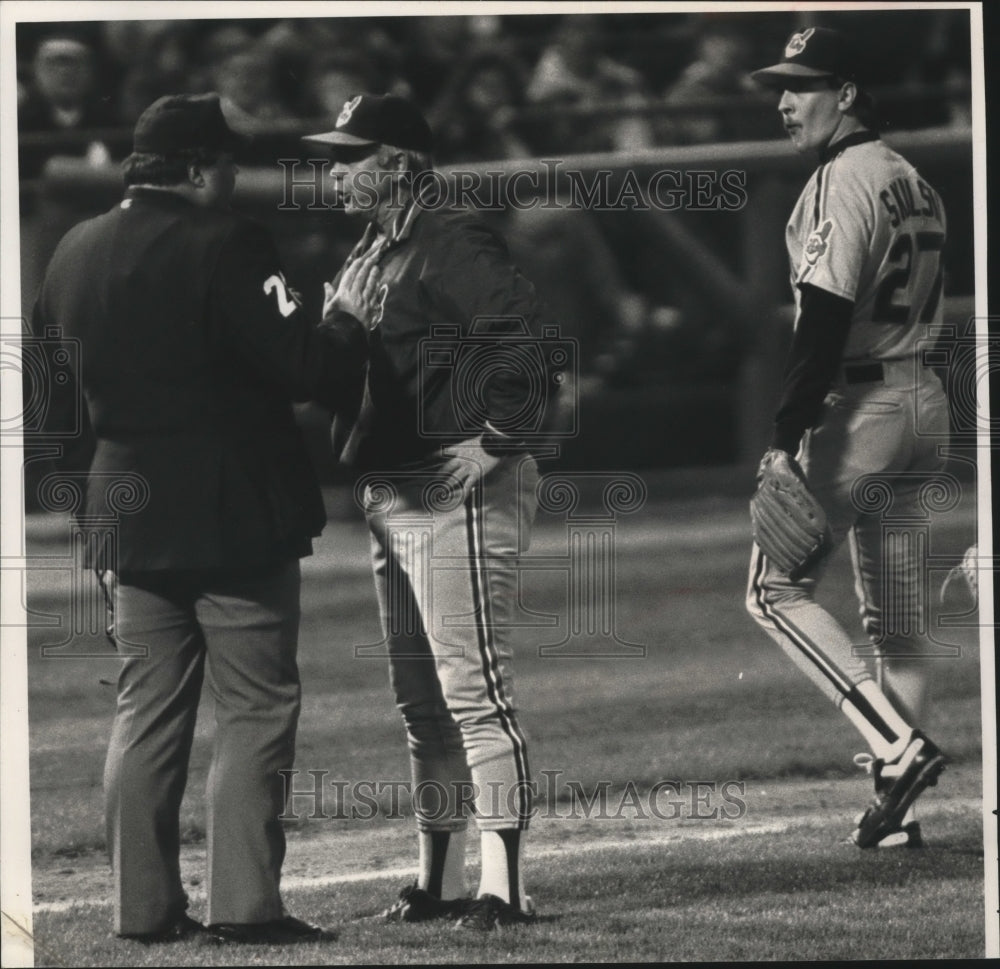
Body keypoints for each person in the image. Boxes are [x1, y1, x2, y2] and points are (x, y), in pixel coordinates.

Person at [30, 93, 368, 943]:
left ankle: (142, 911)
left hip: (125, 512)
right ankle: (246, 909)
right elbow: (304, 366)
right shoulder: (228, 242)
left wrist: (90, 512)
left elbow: (53, 412)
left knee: (145, 714)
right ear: (193, 167)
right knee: (254, 708)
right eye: (223, 162)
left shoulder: (71, 249)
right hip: (231, 512)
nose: (232, 176)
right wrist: (349, 321)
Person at [304, 94, 561, 930]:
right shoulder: (376, 245)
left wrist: (493, 441)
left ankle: (505, 891)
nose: (335, 169)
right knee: (422, 701)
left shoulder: (449, 235)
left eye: (352, 154)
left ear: (402, 161)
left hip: (454, 490)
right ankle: (439, 881)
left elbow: (524, 340)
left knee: (475, 693)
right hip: (393, 488)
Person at [744, 28, 950, 849]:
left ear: (850, 92)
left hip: (858, 412)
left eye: (804, 85)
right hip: (923, 402)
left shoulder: (842, 180)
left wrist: (787, 432)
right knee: (895, 629)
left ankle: (897, 747)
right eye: (782, 86)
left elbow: (824, 316)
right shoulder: (914, 178)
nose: (785, 101)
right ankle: (898, 816)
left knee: (773, 591)